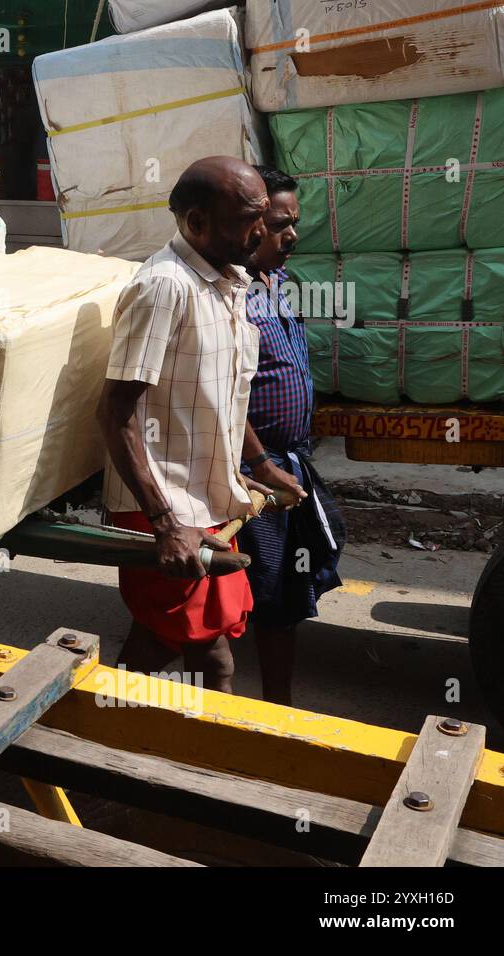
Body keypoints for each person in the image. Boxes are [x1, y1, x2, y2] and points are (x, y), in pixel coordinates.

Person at [97, 156, 287, 694]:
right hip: (164, 508)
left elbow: (220, 396)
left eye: (264, 215)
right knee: (213, 659)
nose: (263, 229)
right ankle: (216, 771)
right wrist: (164, 523)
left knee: (159, 642)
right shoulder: (164, 288)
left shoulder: (230, 282)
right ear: (197, 223)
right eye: (249, 217)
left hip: (206, 503)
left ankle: (88, 736)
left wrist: (250, 469)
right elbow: (115, 413)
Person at [239, 166, 345, 706]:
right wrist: (262, 467)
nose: (292, 235)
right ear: (247, 224)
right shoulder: (228, 296)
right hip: (251, 471)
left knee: (285, 593)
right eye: (280, 224)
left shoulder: (277, 283)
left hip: (287, 463)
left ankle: (276, 704)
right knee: (255, 597)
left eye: (294, 223)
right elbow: (217, 401)